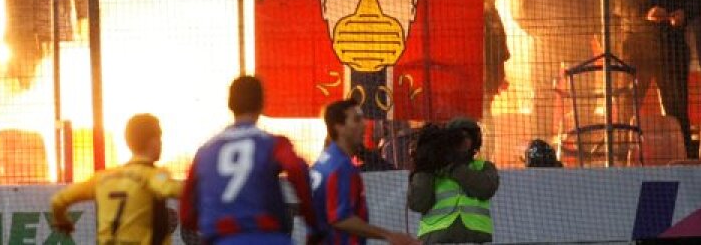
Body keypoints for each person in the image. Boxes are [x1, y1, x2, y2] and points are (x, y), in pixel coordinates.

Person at [181, 76, 318, 245]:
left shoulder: (204, 152)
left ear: (230, 105)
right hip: (266, 235)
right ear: (262, 104)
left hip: (222, 237)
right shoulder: (274, 143)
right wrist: (312, 222)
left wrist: (210, 227)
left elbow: (187, 211)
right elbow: (295, 168)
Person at [510, 0, 599, 141]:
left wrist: (534, 28)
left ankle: (544, 145)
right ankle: (578, 144)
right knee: (574, 95)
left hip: (556, 36)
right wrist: (535, 28)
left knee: (560, 95)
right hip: (559, 36)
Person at [611, 0, 693, 156]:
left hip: (672, 46)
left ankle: (683, 155)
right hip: (639, 45)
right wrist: (644, 14)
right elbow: (617, 1)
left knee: (677, 108)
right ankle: (618, 154)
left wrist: (685, 12)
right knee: (628, 103)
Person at [51, 113, 181, 245]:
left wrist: (62, 221)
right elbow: (168, 188)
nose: (161, 143)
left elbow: (58, 201)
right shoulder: (156, 174)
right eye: (160, 138)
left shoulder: (101, 178)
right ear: (154, 141)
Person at [310, 99, 419, 245]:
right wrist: (389, 235)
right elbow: (340, 219)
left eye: (362, 119)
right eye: (356, 120)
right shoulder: (341, 166)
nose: (364, 124)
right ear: (339, 127)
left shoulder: (325, 160)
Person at [407, 118, 498, 243]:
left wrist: (452, 167)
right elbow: (418, 204)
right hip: (435, 237)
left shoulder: (483, 167)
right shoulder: (431, 168)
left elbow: (485, 189)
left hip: (474, 238)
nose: (461, 141)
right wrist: (424, 167)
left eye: (466, 136)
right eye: (456, 137)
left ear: (475, 140)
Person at [483, 0, 509, 115]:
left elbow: (500, 44)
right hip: (487, 73)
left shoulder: (492, 14)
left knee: (485, 108)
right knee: (485, 109)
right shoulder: (491, 14)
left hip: (489, 73)